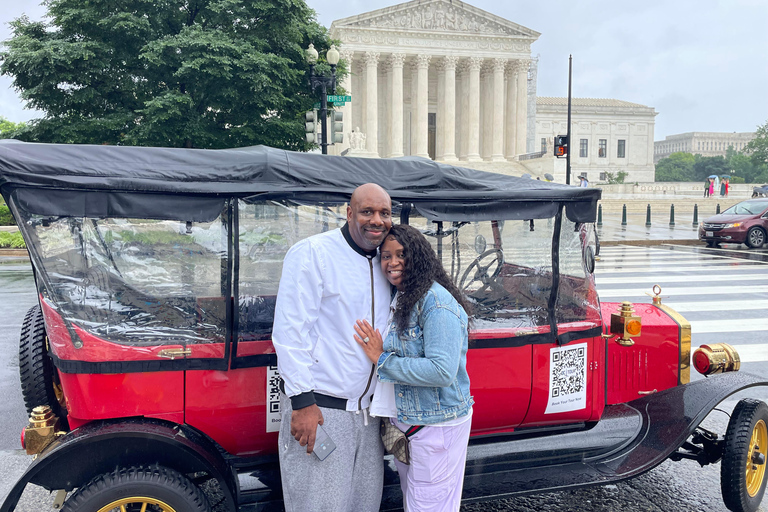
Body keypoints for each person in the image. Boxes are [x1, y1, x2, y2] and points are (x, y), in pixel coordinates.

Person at [272, 183, 393, 512]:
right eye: (367, 211)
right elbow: (290, 331)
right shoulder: (313, 253)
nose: (377, 220)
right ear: (349, 213)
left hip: (367, 417)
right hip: (322, 412)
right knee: (319, 506)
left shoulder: (387, 263)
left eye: (384, 213)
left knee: (363, 505)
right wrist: (302, 403)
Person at [353, 224, 474, 512]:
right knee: (418, 503)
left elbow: (441, 371)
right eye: (385, 256)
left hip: (436, 425)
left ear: (418, 257)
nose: (392, 263)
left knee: (428, 507)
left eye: (401, 255)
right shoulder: (405, 296)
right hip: (413, 425)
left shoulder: (436, 303)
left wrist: (382, 359)